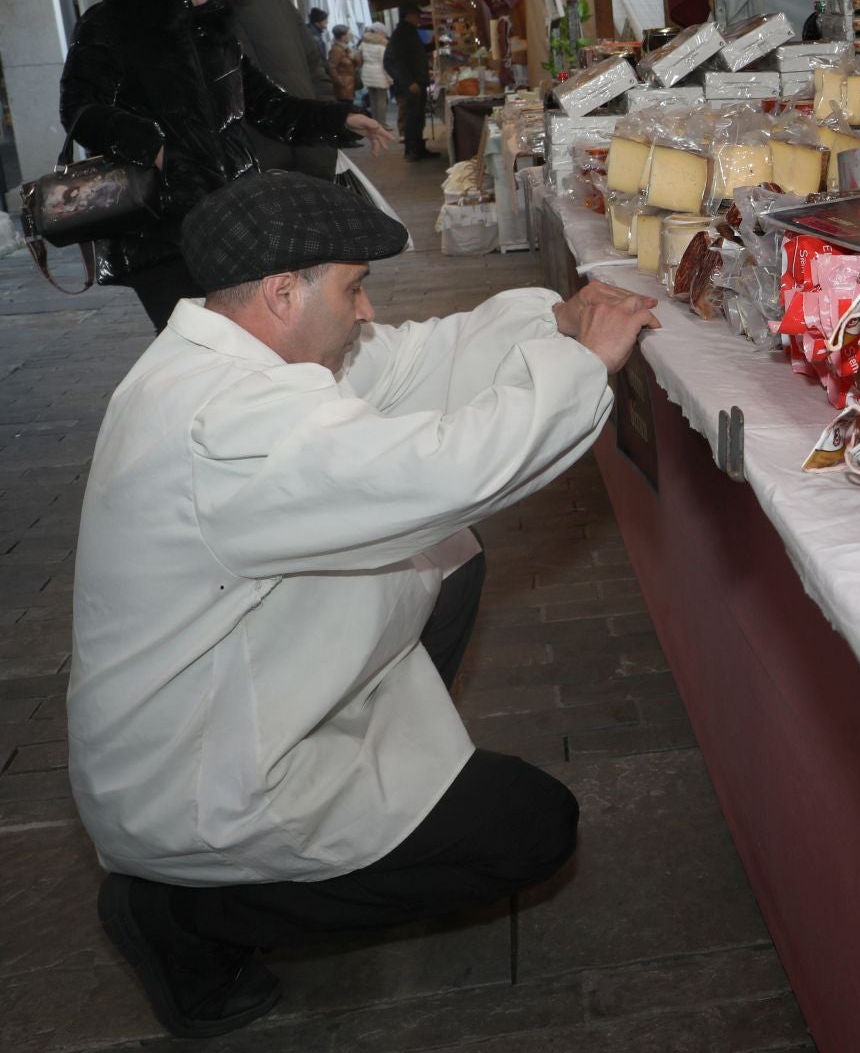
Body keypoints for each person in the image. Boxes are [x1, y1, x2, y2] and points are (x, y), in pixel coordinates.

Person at [71, 170, 660, 1039]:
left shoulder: (235, 350)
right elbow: (450, 469)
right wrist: (584, 364)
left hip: (233, 698)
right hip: (198, 776)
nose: (368, 311)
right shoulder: (222, 426)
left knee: (447, 559)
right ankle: (184, 917)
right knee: (532, 829)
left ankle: (368, 754)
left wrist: (553, 321)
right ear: (281, 292)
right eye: (355, 288)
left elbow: (419, 358)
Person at [58, 0, 396, 331]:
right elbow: (80, 112)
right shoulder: (109, 24)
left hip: (231, 219)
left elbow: (270, 105)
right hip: (158, 229)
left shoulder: (212, 29)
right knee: (199, 345)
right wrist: (155, 147)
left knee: (250, 340)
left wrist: (343, 119)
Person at [200, 0, 345, 169]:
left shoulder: (278, 4)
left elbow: (317, 75)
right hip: (250, 183)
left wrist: (326, 140)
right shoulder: (191, 17)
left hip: (312, 166)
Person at [386, 4, 434, 162]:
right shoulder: (400, 34)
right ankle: (411, 150)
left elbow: (416, 53)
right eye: (417, 15)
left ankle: (419, 148)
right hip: (411, 83)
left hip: (418, 80)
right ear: (408, 15)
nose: (419, 18)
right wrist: (409, 82)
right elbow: (395, 61)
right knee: (412, 117)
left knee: (419, 117)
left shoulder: (410, 32)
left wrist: (435, 44)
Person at [359, 21, 390, 125]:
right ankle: (381, 123)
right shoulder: (382, 45)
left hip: (367, 72)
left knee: (372, 99)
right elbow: (384, 63)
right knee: (381, 100)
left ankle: (374, 122)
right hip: (379, 74)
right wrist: (390, 78)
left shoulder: (363, 43)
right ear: (379, 32)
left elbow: (359, 57)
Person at [327, 23, 358, 102]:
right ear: (343, 36)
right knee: (345, 109)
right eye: (348, 34)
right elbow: (331, 67)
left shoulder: (347, 48)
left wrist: (354, 57)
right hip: (344, 87)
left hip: (349, 84)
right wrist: (340, 83)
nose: (350, 36)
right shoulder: (337, 50)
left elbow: (358, 63)